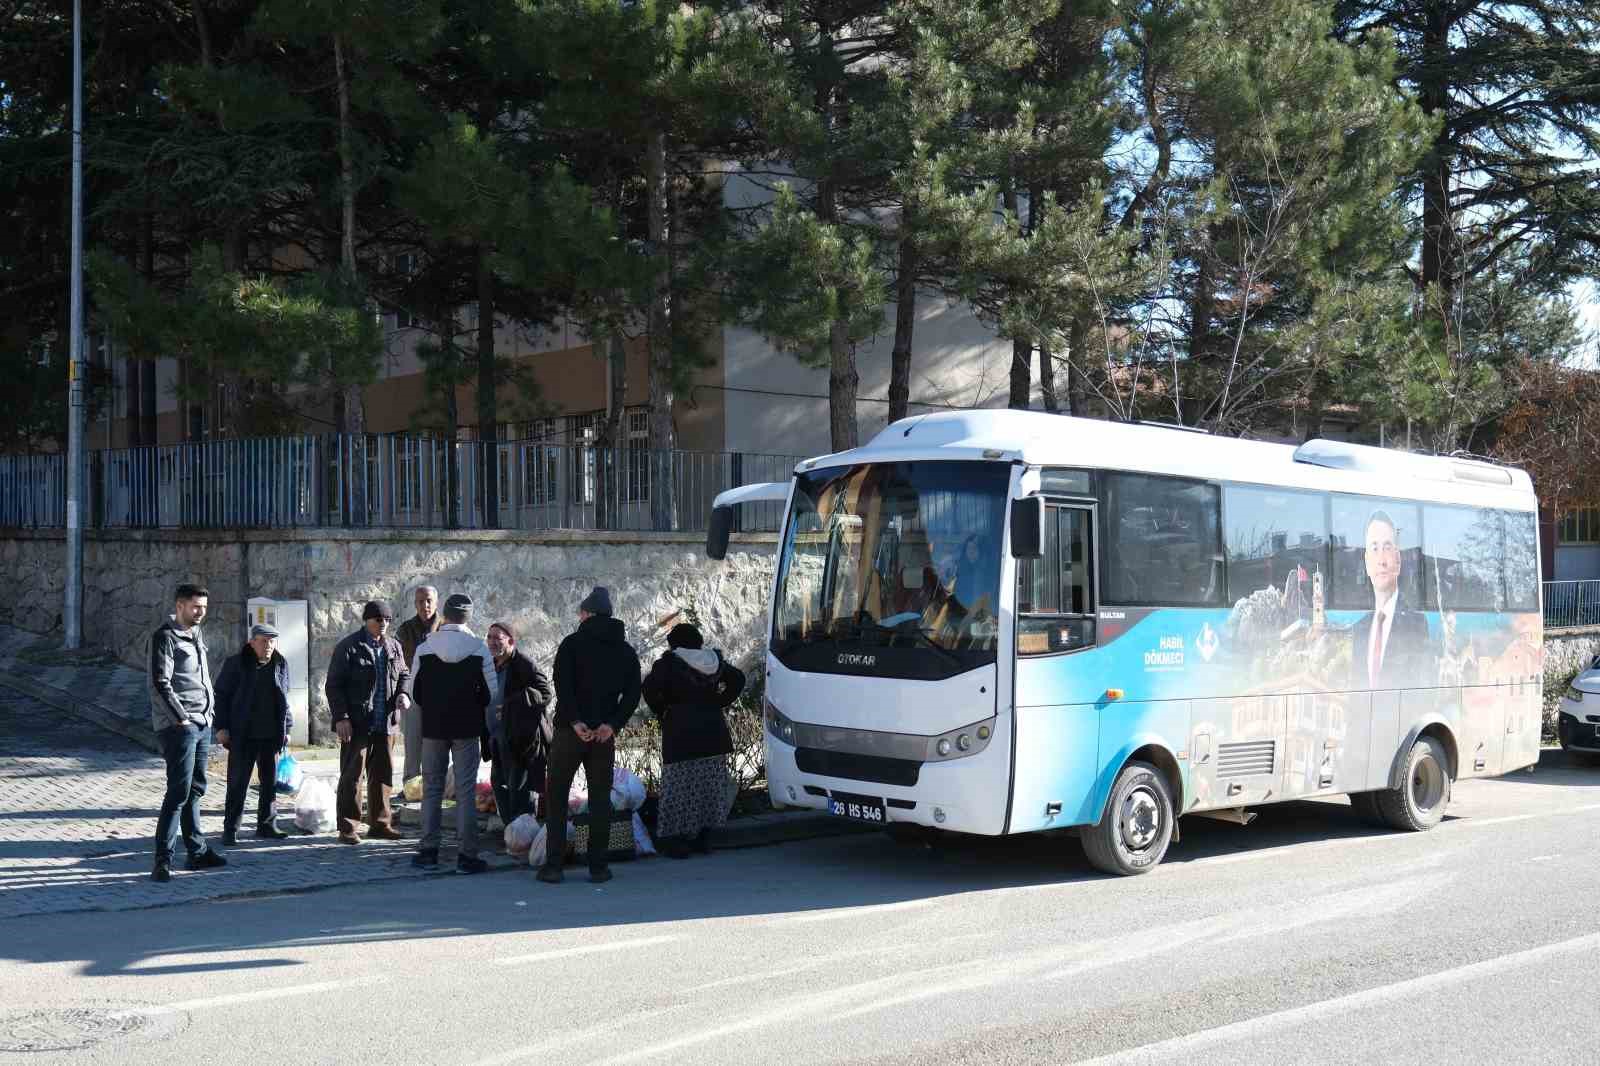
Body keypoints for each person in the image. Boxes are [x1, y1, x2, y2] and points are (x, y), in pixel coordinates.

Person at [539, 586, 641, 885]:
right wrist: (612, 724)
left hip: (570, 733)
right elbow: (633, 692)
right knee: (599, 799)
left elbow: (562, 684)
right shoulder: (624, 650)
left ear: (587, 614)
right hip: (603, 736)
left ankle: (554, 866)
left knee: (557, 795)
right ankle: (598, 867)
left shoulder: (572, 644)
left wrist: (574, 721)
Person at [409, 593, 498, 874]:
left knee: (432, 789)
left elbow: (415, 692)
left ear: (445, 614)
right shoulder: (478, 649)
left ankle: (428, 851)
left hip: (434, 727)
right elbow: (490, 692)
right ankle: (467, 855)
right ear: (467, 618)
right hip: (467, 727)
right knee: (465, 790)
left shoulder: (425, 648)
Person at [641, 623, 745, 859]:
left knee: (678, 788)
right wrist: (719, 702)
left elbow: (648, 689)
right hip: (712, 732)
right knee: (709, 787)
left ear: (674, 643)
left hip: (681, 733)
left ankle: (677, 842)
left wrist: (664, 710)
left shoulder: (669, 663)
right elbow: (738, 679)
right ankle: (704, 838)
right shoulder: (713, 660)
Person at [147, 583, 226, 882]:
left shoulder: (195, 634)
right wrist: (180, 719)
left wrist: (210, 713)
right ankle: (162, 861)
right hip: (179, 727)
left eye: (204, 608)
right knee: (178, 793)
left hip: (202, 723)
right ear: (179, 605)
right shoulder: (165, 637)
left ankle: (197, 852)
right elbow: (160, 682)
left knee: (196, 790)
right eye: (195, 607)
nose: (200, 613)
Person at [325, 601, 412, 845]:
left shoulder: (394, 646)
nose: (383, 624)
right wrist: (341, 717)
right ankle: (348, 828)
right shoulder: (349, 647)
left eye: (387, 620)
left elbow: (404, 673)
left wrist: (403, 694)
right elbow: (334, 685)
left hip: (386, 723)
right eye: (378, 619)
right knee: (353, 776)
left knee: (383, 775)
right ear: (367, 620)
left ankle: (381, 824)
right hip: (357, 723)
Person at [214, 623, 293, 845]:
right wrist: (220, 727)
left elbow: (285, 699)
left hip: (271, 734)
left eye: (272, 641)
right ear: (252, 642)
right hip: (242, 734)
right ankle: (230, 829)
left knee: (269, 783)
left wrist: (287, 727)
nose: (268, 645)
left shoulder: (280, 663)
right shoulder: (236, 663)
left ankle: (267, 825)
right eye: (264, 641)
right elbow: (221, 696)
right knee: (238, 783)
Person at [1349, 509, 1431, 690]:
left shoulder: (1416, 625)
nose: (1381, 561)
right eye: (1374, 549)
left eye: (1387, 548)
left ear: (1398, 560)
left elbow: (1421, 694)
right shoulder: (1358, 630)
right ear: (1367, 562)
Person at [486, 621, 554, 824]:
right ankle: (512, 832)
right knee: (498, 785)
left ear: (511, 641)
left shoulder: (524, 664)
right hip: (496, 737)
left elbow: (545, 693)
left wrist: (512, 705)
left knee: (519, 790)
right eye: (489, 637)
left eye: (497, 638)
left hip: (519, 739)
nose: (491, 642)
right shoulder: (491, 664)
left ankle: (524, 835)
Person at [397, 586, 442, 785]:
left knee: (437, 742)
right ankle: (410, 784)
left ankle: (435, 784)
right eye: (421, 601)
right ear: (415, 604)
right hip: (413, 692)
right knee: (412, 741)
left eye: (429, 600)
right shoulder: (405, 629)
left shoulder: (446, 626)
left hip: (440, 692)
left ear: (436, 602)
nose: (425, 605)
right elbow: (399, 662)